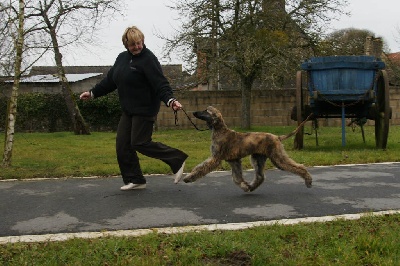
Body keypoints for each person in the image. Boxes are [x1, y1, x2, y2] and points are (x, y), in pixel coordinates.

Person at [80, 26, 187, 191]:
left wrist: (170, 100)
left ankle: (177, 159)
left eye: (139, 43)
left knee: (139, 142)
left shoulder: (148, 59)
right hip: (129, 110)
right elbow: (110, 81)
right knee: (122, 145)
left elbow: (160, 84)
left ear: (143, 41)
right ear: (126, 44)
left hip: (145, 109)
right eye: (132, 44)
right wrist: (93, 93)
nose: (137, 47)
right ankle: (135, 179)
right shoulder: (121, 58)